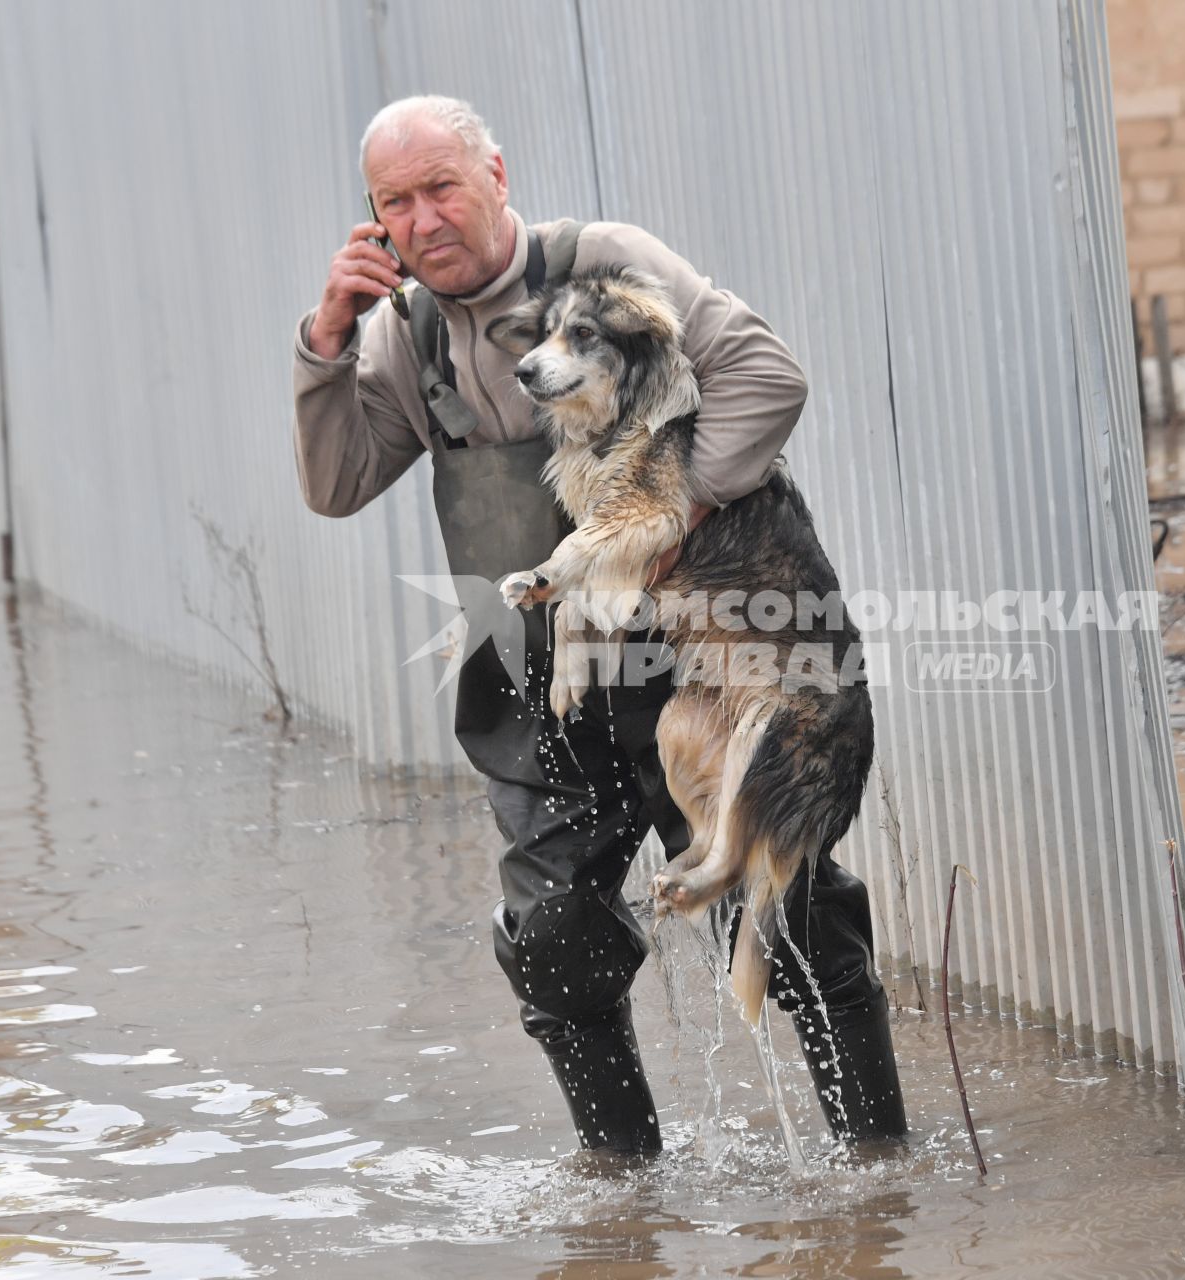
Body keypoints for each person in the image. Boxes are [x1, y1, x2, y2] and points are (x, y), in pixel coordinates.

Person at [291, 96, 907, 1156]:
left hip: (696, 670)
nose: (422, 218)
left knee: (793, 914)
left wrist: (668, 517)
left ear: (496, 173)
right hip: (541, 695)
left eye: (441, 185)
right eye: (394, 202)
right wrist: (325, 344)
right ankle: (624, 1201)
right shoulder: (402, 336)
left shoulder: (607, 264)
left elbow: (769, 377)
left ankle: (881, 1167)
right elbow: (337, 482)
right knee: (555, 944)